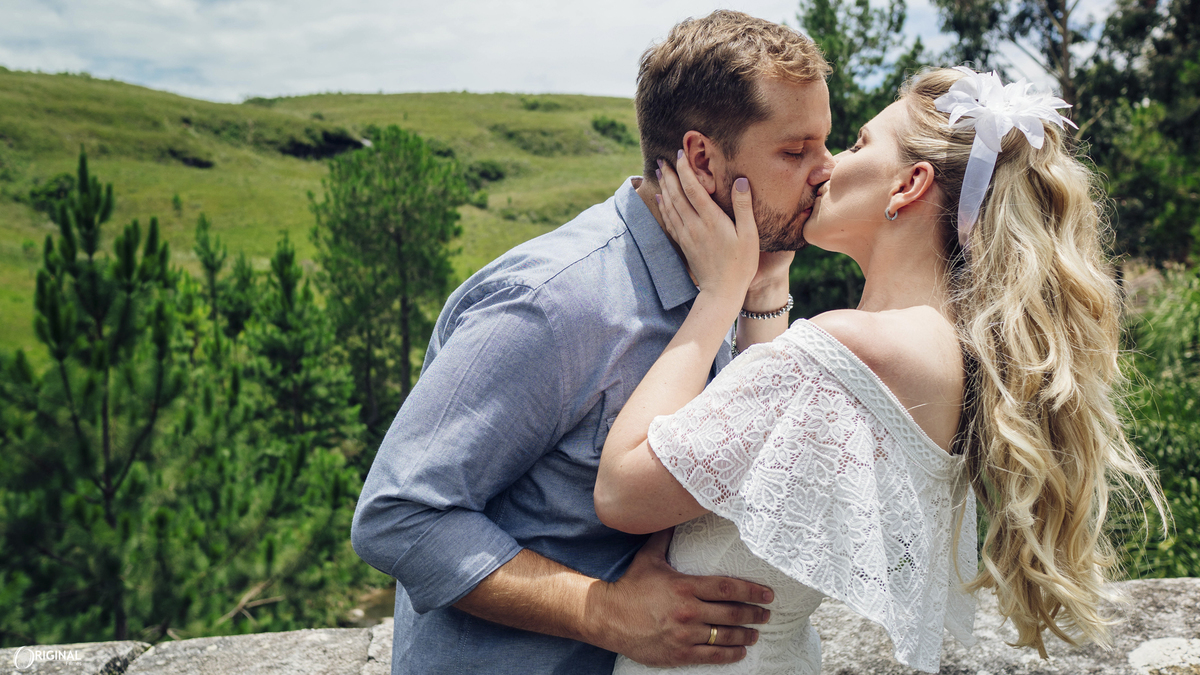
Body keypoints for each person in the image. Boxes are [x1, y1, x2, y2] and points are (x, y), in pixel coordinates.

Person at [595, 66, 1167, 674]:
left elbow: (621, 492)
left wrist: (719, 294)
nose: (828, 165)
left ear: (909, 186)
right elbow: (770, 462)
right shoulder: (946, 354)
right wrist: (763, 288)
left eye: (857, 144)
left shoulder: (857, 344)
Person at [350, 11, 836, 674]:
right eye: (795, 151)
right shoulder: (554, 304)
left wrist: (761, 289)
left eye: (826, 144)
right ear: (702, 160)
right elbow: (397, 515)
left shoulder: (726, 271)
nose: (826, 171)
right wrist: (605, 612)